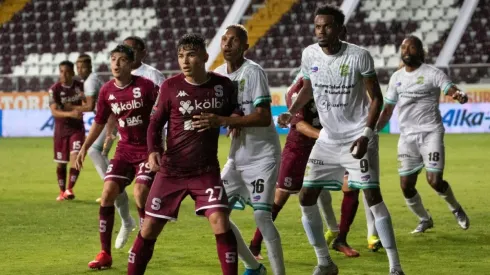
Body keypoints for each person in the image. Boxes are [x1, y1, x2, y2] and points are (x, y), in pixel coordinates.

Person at [278, 5, 404, 274]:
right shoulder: (309, 54)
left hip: (357, 138)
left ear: (341, 30)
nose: (321, 31)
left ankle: (395, 267)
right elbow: (308, 89)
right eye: (318, 26)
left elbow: (376, 99)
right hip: (327, 139)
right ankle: (324, 262)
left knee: (373, 197)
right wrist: (291, 113)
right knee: (306, 196)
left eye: (328, 26)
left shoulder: (359, 56)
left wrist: (366, 135)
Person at [127, 33, 239, 275]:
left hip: (205, 171)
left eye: (191, 55)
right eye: (180, 56)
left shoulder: (224, 86)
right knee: (148, 229)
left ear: (205, 57)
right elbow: (154, 124)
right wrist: (153, 151)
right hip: (172, 171)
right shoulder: (170, 86)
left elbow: (236, 113)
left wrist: (231, 121)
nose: (185, 61)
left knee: (221, 220)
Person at [247, 70, 363, 259]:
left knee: (350, 184)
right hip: (300, 148)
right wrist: (325, 137)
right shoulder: (298, 90)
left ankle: (340, 239)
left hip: (331, 146)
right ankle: (254, 245)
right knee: (280, 197)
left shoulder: (337, 83)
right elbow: (298, 124)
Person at [201, 24, 283, 275]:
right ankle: (253, 266)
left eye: (233, 40)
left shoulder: (254, 72)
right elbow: (224, 111)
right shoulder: (216, 75)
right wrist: (230, 116)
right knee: (215, 211)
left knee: (261, 218)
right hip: (236, 158)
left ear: (245, 46)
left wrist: (228, 121)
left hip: (262, 157)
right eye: (224, 39)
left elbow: (263, 117)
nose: (227, 44)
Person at [74, 44, 159, 270]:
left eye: (121, 59)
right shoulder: (107, 91)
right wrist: (85, 146)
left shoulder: (147, 86)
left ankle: (143, 240)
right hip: (124, 149)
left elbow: (164, 114)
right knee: (107, 193)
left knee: (140, 193)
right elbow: (100, 121)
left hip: (146, 150)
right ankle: (105, 253)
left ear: (131, 64)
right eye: (113, 59)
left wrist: (162, 146)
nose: (116, 64)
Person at [376, 35, 469, 234]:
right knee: (406, 186)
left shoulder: (432, 73)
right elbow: (387, 110)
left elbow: (449, 88)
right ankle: (424, 219)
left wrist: (458, 94)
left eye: (411, 48)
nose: (406, 51)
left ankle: (456, 208)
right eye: (403, 48)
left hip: (430, 133)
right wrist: (372, 130)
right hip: (407, 137)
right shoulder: (396, 78)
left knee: (434, 180)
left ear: (421, 52)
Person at [76, 53, 138, 250]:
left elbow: (91, 106)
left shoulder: (91, 82)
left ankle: (129, 220)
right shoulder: (100, 83)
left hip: (125, 125)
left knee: (95, 151)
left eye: (82, 66)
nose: (80, 69)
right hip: (114, 120)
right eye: (78, 66)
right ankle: (125, 215)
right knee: (97, 155)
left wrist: (73, 106)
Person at [48, 60, 85, 201]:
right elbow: (54, 112)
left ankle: (70, 189)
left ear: (73, 73)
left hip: (77, 129)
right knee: (61, 162)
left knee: (76, 157)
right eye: (61, 71)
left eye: (67, 71)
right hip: (61, 130)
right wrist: (71, 113)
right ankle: (62, 191)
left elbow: (88, 102)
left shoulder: (80, 87)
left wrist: (81, 108)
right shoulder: (54, 89)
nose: (63, 74)